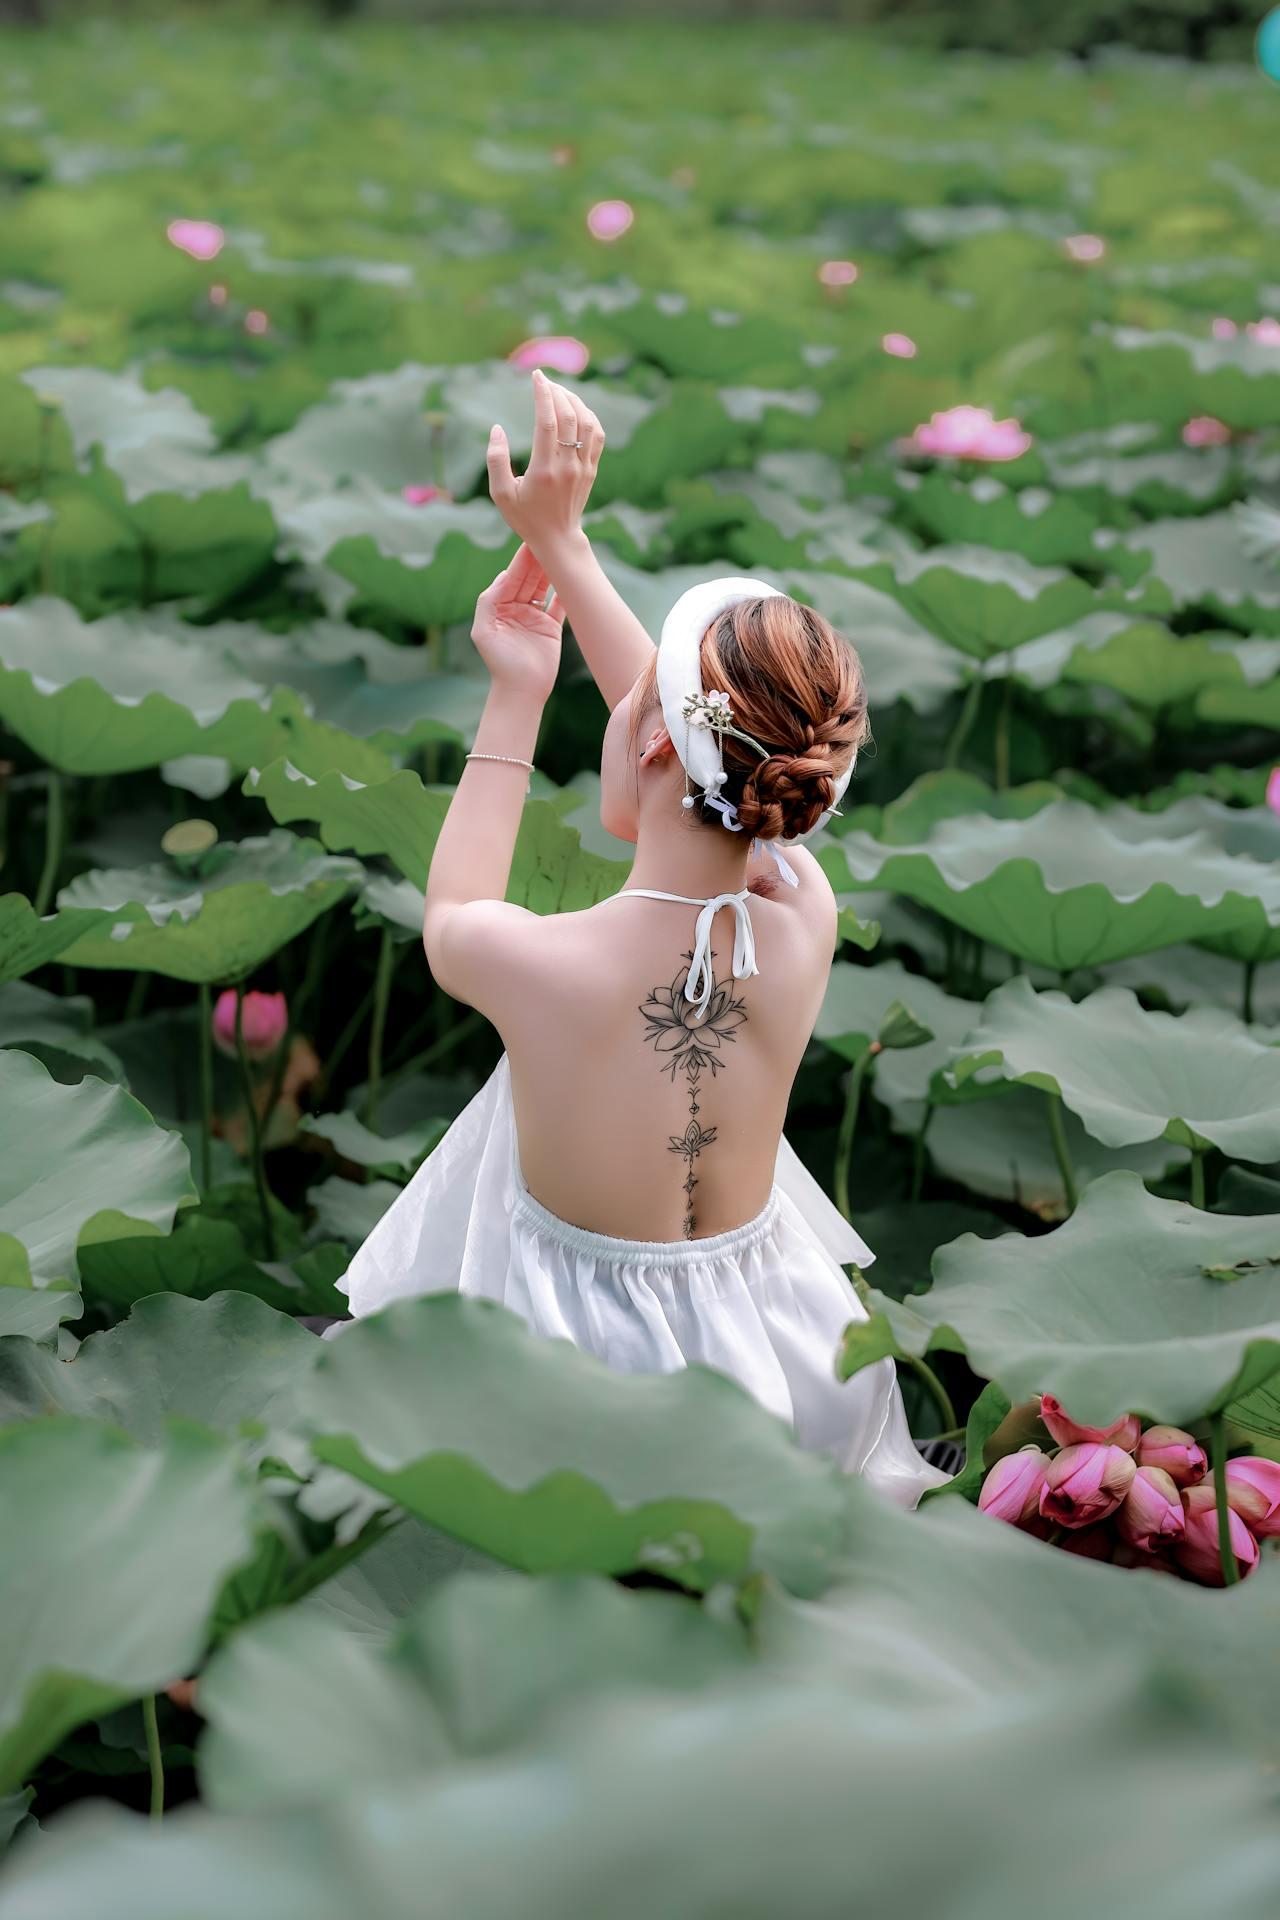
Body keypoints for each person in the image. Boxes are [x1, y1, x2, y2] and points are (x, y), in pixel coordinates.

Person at [325, 368, 952, 1509]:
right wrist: (562, 550)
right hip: (792, 1359)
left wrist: (518, 688)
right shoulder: (798, 907)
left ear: (657, 741)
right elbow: (696, 742)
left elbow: (451, 915)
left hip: (596, 1392)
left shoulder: (547, 963)